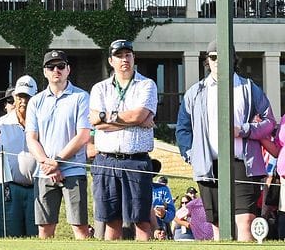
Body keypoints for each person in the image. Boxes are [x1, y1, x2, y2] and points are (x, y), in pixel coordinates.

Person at [176, 40, 275, 241]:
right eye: (213, 57)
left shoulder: (248, 88)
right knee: (218, 226)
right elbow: (183, 128)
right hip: (209, 166)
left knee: (245, 221)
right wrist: (190, 154)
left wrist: (244, 130)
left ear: (233, 59)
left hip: (242, 165)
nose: (217, 62)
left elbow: (269, 122)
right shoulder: (195, 92)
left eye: (223, 57)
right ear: (207, 60)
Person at [88, 39, 158, 240]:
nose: (124, 59)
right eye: (119, 56)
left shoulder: (147, 85)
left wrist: (106, 117)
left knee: (142, 220)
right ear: (111, 60)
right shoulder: (100, 88)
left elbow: (138, 115)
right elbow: (95, 121)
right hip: (106, 160)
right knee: (111, 221)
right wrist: (134, 119)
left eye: (128, 55)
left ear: (134, 58)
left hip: (136, 160)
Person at [25, 50, 92, 240]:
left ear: (68, 69)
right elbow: (31, 138)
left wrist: (58, 161)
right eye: (51, 67)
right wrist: (47, 163)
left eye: (61, 66)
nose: (56, 70)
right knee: (45, 229)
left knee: (80, 227)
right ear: (44, 72)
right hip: (44, 171)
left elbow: (83, 135)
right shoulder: (36, 101)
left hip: (73, 170)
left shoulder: (81, 97)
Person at [0, 74, 39, 238]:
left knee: (37, 238)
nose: (23, 101)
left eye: (28, 97)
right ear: (14, 97)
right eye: (20, 97)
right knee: (9, 237)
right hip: (9, 190)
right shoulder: (0, 125)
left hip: (38, 189)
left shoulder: (43, 123)